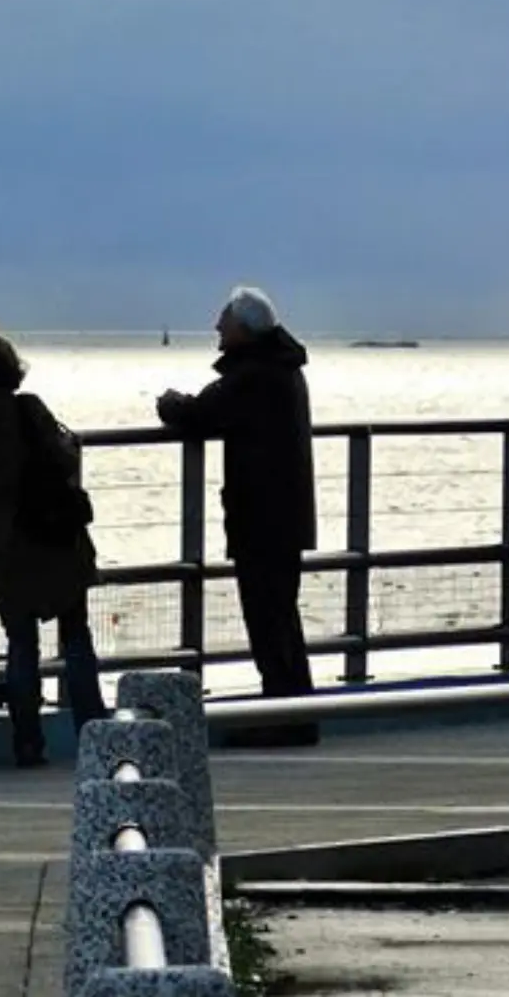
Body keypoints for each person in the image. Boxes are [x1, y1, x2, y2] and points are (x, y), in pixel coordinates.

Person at [157, 286, 318, 747]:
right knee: (282, 617)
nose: (216, 327)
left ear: (244, 330)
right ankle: (297, 713)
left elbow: (199, 412)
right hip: (285, 514)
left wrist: (169, 402)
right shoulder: (282, 370)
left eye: (224, 321)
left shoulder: (254, 376)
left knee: (268, 620)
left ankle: (284, 718)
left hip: (261, 517)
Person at [0, 329, 109, 767]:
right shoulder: (28, 408)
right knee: (76, 633)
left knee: (20, 641)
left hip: (6, 538)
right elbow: (63, 458)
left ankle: (28, 743)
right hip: (54, 531)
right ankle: (94, 733)